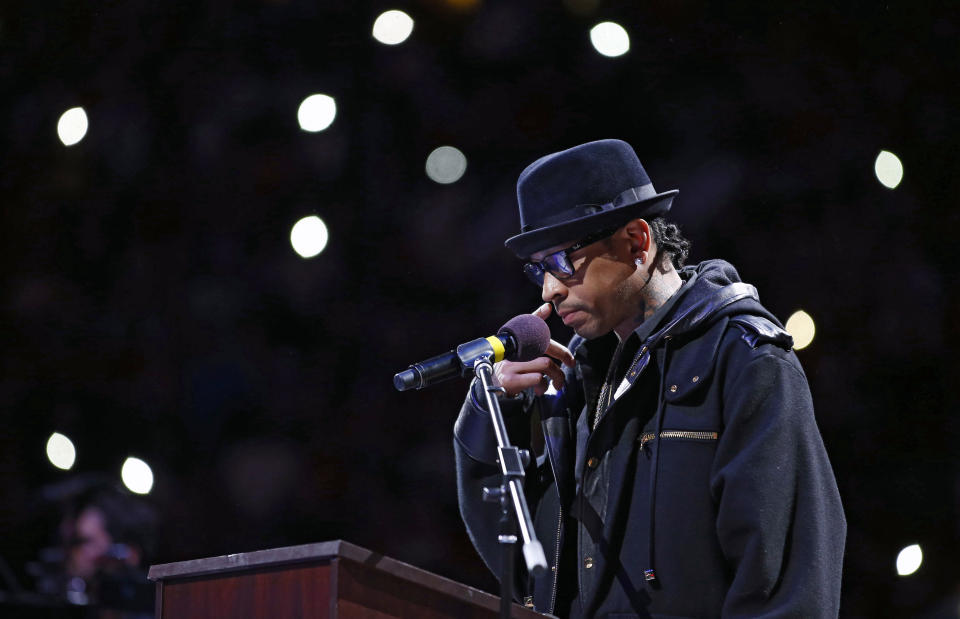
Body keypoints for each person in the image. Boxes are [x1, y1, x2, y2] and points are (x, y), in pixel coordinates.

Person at [453, 139, 846, 618]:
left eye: (561, 262)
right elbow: (529, 575)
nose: (550, 290)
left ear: (637, 242)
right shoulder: (575, 384)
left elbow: (785, 586)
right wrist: (492, 417)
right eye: (537, 270)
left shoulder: (745, 359)